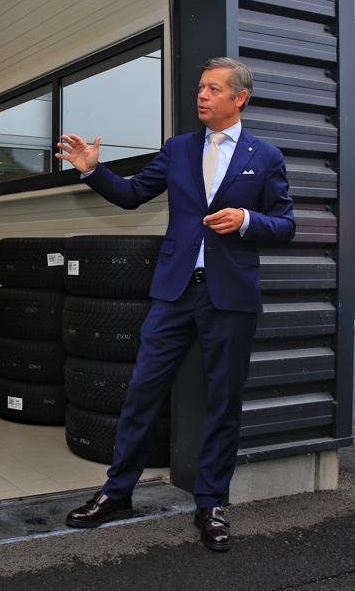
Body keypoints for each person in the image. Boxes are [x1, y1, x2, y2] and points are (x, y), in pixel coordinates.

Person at [54, 57, 296, 552]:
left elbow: (285, 225)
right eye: (201, 87)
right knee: (142, 391)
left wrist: (247, 219)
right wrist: (93, 170)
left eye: (213, 89)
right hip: (174, 292)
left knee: (223, 402)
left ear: (240, 98)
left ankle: (211, 503)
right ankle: (117, 492)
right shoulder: (179, 148)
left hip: (230, 296)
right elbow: (132, 195)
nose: (202, 95)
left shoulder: (266, 156)